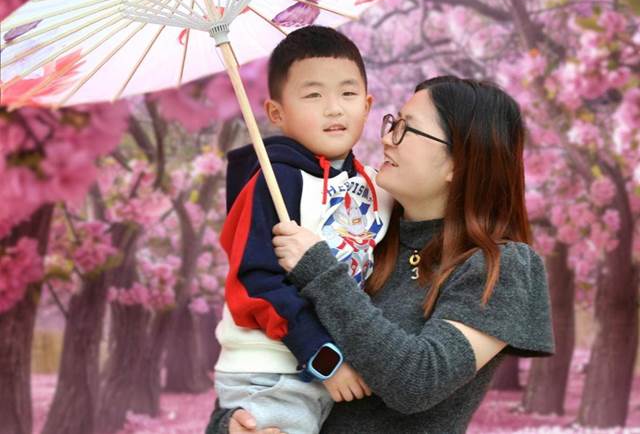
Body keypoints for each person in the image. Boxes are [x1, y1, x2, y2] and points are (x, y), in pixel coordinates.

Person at [207, 76, 555, 434]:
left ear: (459, 162)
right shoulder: (367, 236)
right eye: (393, 123)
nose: (387, 138)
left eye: (407, 129)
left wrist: (319, 269)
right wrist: (232, 426)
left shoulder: (501, 266)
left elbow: (419, 381)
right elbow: (273, 365)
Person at [211, 26, 393, 434]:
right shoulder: (276, 181)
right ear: (276, 113)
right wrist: (323, 357)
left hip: (328, 365)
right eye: (313, 95)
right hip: (272, 369)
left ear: (367, 105)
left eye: (348, 93)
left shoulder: (374, 183)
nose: (334, 109)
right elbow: (256, 280)